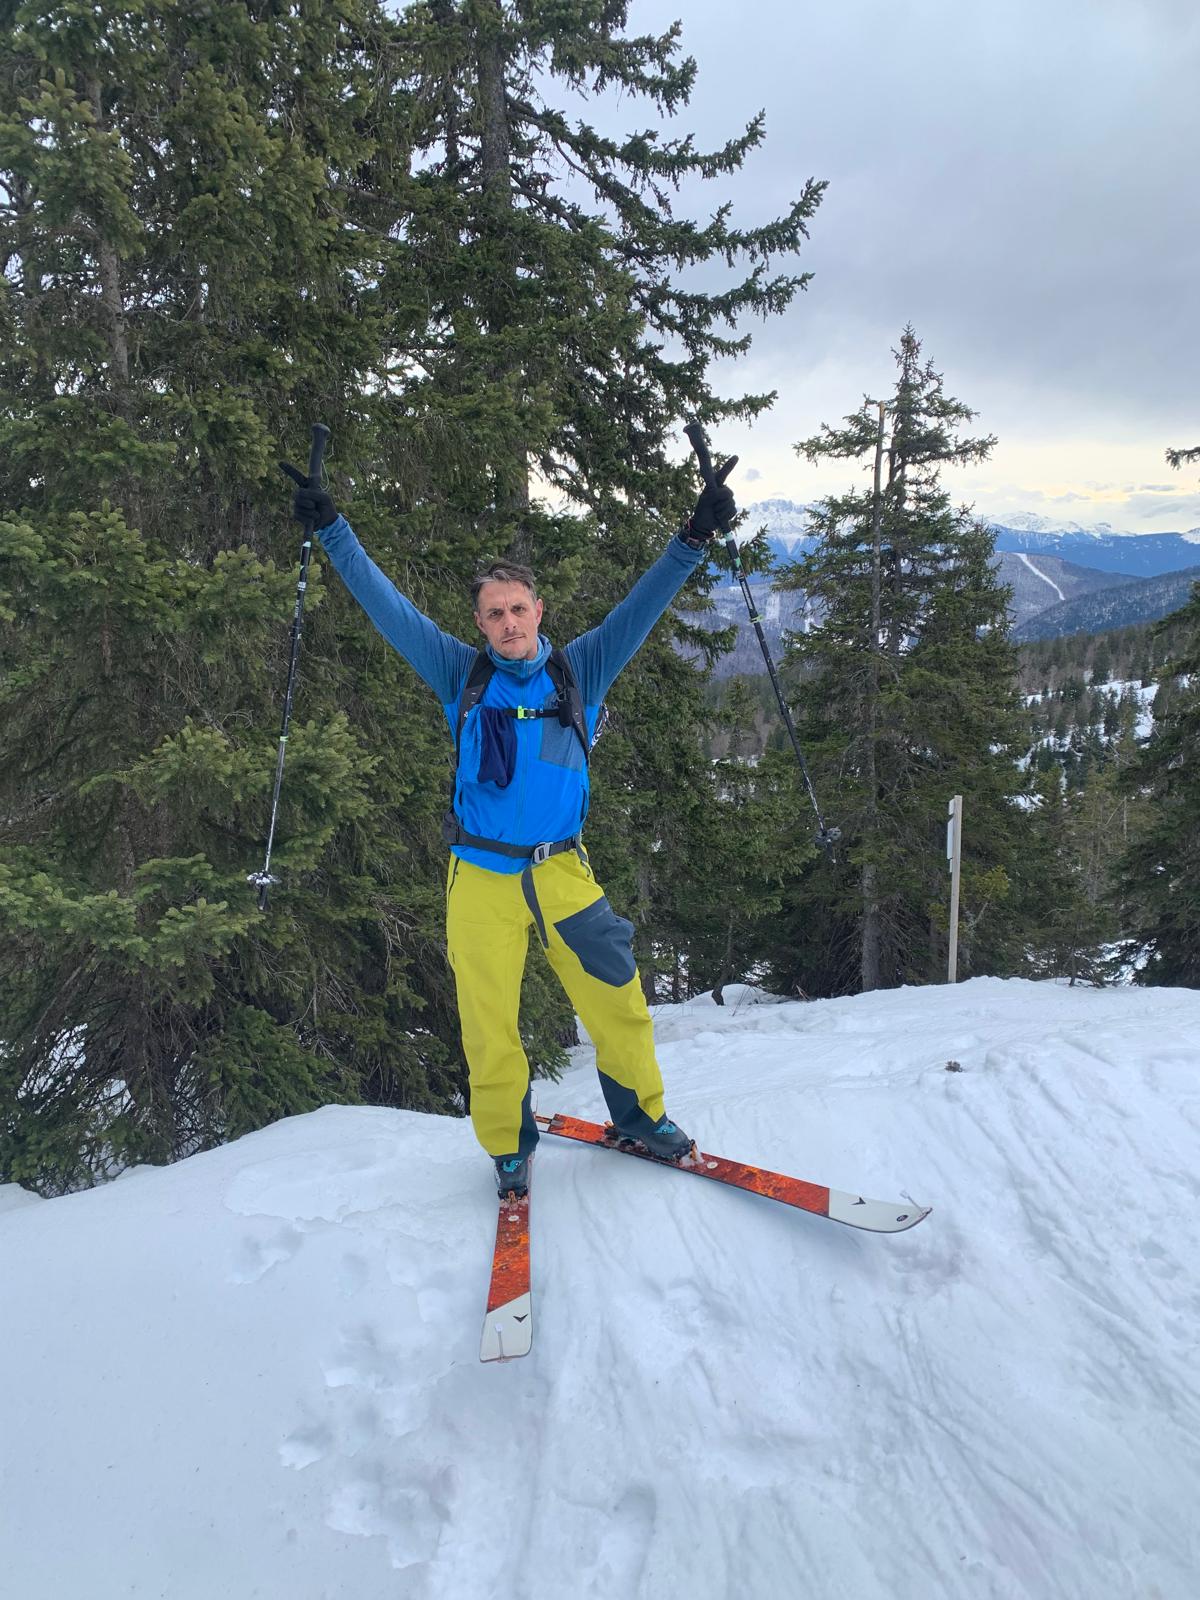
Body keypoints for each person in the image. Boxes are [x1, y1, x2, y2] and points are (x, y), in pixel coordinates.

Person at [280, 457, 736, 1197]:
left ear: (538, 610)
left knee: (617, 998)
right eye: (494, 614)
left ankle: (641, 1119)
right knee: (488, 1024)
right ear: (480, 624)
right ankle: (509, 1147)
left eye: (518, 609)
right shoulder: (460, 674)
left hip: (561, 871)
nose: (508, 623)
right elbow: (388, 607)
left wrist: (693, 537)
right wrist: (333, 529)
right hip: (481, 876)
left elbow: (641, 607)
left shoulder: (581, 671)